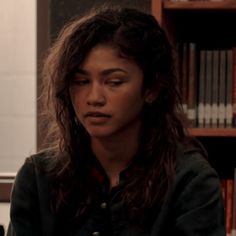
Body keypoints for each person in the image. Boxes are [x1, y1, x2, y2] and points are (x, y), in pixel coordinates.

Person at [7, 6, 225, 236]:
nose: (94, 98)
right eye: (81, 82)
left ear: (151, 88)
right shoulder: (38, 178)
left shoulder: (190, 181)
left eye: (114, 82)